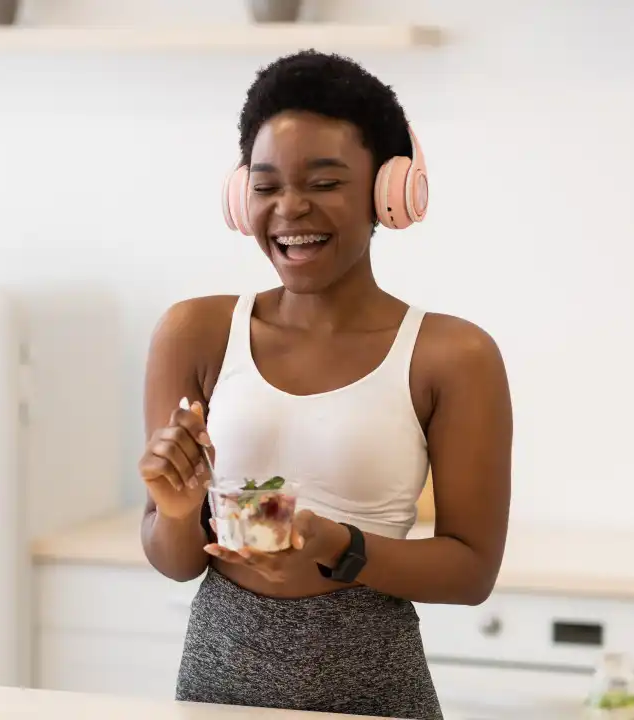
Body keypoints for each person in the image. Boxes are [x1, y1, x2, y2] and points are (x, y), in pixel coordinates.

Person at [137, 50, 513, 719]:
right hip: (214, 693)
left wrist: (343, 549)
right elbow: (175, 560)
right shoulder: (193, 332)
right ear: (239, 194)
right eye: (266, 184)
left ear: (389, 192)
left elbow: (472, 571)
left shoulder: (452, 355)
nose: (290, 208)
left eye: (324, 180)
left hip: (376, 695)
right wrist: (172, 511)